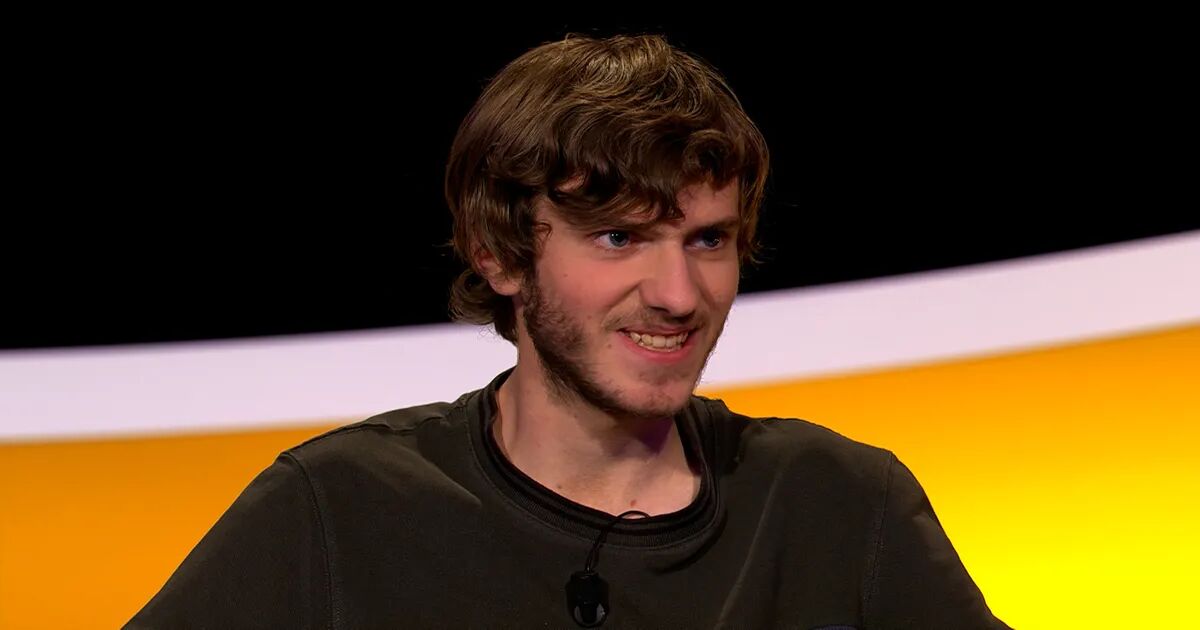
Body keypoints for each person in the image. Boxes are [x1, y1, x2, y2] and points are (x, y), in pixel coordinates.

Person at [128, 33, 1009, 629]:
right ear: (500, 254)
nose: (678, 295)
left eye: (708, 240)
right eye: (619, 237)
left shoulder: (838, 505)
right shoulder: (337, 509)